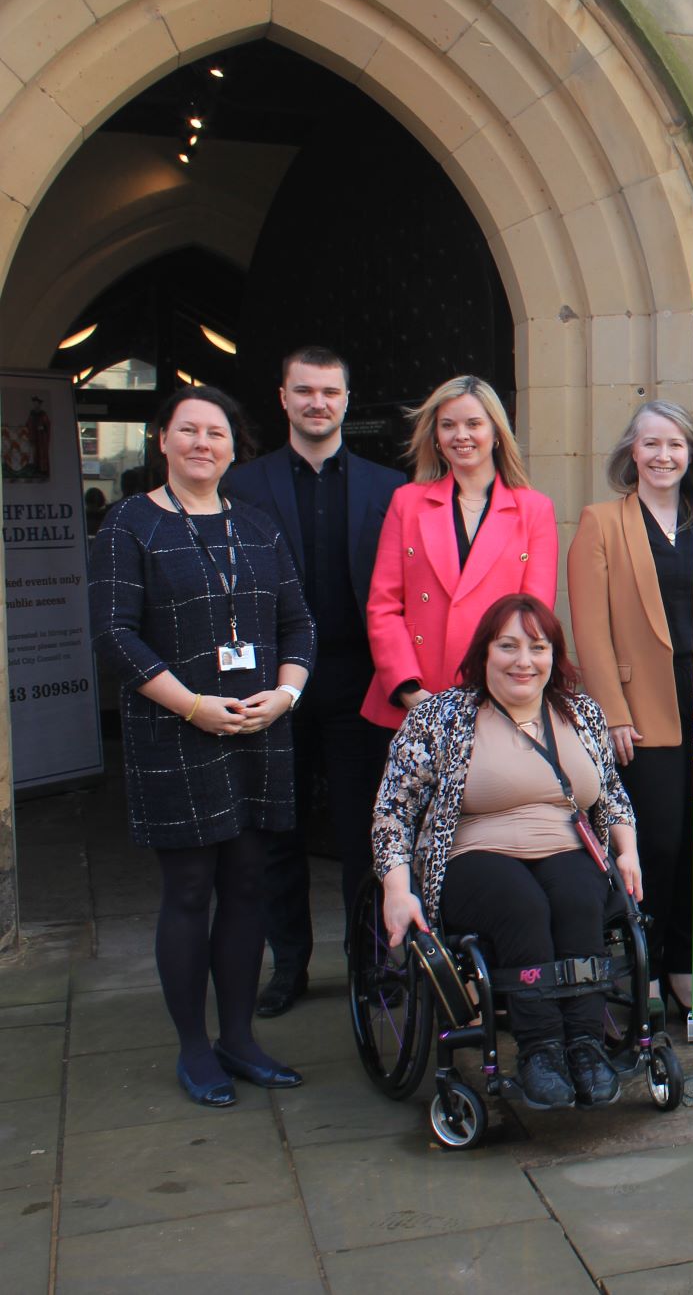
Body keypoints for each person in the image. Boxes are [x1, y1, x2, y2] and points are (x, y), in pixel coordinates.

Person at [89, 385, 315, 1107]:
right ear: (162, 439)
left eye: (215, 432)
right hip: (175, 731)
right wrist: (191, 705)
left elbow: (298, 623)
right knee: (189, 889)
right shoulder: (129, 524)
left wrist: (283, 696)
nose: (201, 444)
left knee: (248, 884)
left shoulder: (257, 525)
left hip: (255, 730)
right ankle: (195, 1047)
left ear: (231, 446)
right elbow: (115, 636)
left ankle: (240, 1037)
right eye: (187, 431)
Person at [373, 595, 641, 1110]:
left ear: (553, 656)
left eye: (537, 647)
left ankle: (584, 1044)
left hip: (565, 844)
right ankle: (540, 1050)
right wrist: (395, 888)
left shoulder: (580, 712)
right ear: (485, 652)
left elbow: (611, 795)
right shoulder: (442, 716)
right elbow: (393, 810)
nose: (524, 660)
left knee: (581, 898)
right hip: (476, 852)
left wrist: (626, 852)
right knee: (523, 906)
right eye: (508, 646)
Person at [225, 345, 403, 1018]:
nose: (317, 402)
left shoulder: (388, 488)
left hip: (363, 680)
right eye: (304, 390)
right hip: (274, 683)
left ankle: (370, 961)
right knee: (278, 831)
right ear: (283, 397)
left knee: (365, 833)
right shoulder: (244, 485)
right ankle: (290, 965)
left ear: (346, 400)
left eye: (330, 391)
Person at [567, 399, 693, 1011]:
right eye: (651, 444)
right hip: (640, 707)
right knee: (655, 844)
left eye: (675, 444)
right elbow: (589, 630)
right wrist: (612, 710)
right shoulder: (602, 521)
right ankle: (643, 967)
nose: (663, 456)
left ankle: (685, 965)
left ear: (690, 453)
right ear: (631, 453)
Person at [363, 375, 557, 731]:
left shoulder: (535, 510)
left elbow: (534, 616)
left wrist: (500, 691)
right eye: (448, 425)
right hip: (415, 699)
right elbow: (383, 605)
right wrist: (409, 690)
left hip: (498, 701)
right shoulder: (407, 503)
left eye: (473, 424)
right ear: (436, 437)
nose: (461, 436)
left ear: (497, 433)